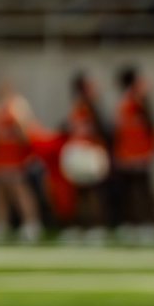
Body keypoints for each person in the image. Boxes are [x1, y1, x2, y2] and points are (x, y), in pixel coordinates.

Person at [0, 78, 42, 244]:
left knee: (19, 189)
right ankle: (0, 223)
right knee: (0, 191)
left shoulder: (17, 106)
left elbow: (25, 131)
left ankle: (31, 223)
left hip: (14, 156)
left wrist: (28, 152)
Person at [62, 72, 112, 244]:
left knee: (92, 191)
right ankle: (81, 226)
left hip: (90, 152)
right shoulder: (78, 107)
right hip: (78, 151)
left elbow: (102, 128)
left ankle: (97, 226)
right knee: (80, 193)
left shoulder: (92, 107)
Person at [114, 65, 154, 243]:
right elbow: (121, 132)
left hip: (142, 154)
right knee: (131, 192)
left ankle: (150, 224)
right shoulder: (128, 103)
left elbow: (150, 129)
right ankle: (133, 224)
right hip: (129, 155)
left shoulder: (141, 103)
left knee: (144, 191)